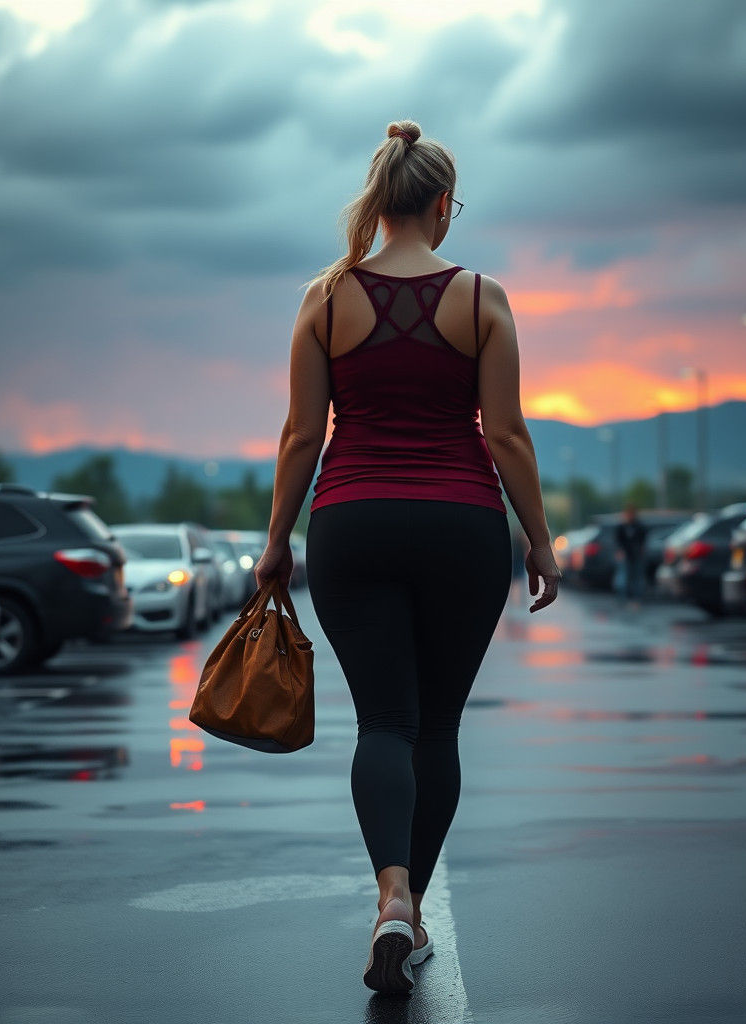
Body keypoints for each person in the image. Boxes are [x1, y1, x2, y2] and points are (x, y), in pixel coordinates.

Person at [251, 119, 561, 996]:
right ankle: (412, 905)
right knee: (439, 727)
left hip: (352, 522)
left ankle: (390, 895)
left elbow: (301, 434)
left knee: (384, 722)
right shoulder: (481, 298)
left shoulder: (325, 299)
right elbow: (506, 434)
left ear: (380, 200)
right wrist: (540, 539)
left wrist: (276, 541)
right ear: (441, 204)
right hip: (462, 526)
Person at [614, 502, 648, 608]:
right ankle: (622, 598)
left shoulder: (639, 526)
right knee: (622, 578)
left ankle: (637, 599)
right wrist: (619, 551)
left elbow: (643, 541)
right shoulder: (621, 527)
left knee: (637, 578)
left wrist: (642, 550)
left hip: (636, 555)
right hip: (625, 555)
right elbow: (618, 541)